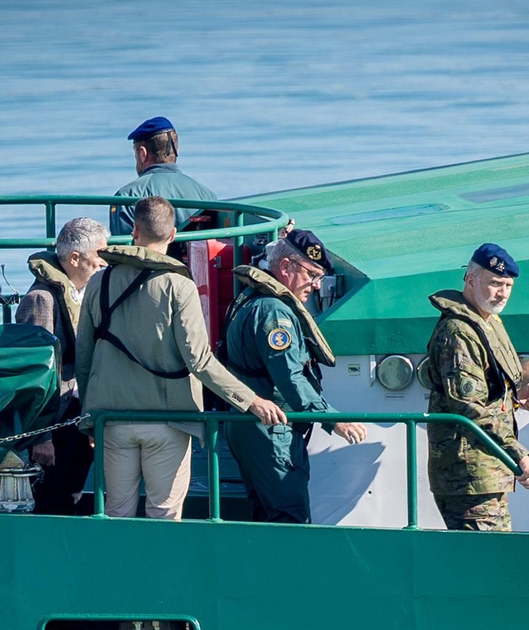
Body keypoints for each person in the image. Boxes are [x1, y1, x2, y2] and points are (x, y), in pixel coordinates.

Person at [75, 195, 285, 519]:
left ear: (134, 231)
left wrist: (89, 416)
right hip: (168, 419)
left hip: (111, 418)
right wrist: (251, 401)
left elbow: (84, 357)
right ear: (173, 235)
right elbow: (199, 361)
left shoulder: (99, 282)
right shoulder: (179, 285)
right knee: (164, 515)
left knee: (116, 512)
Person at [220, 228, 365, 522]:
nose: (316, 285)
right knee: (290, 518)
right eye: (312, 275)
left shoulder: (252, 298)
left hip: (251, 427)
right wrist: (332, 419)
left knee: (266, 517)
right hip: (271, 431)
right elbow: (290, 378)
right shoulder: (275, 314)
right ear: (286, 267)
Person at [420, 243, 529, 531]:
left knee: (494, 554)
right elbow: (469, 408)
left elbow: (485, 390)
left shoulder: (487, 321)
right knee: (488, 556)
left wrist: (516, 398)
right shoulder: (459, 332)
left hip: (486, 471)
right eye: (495, 283)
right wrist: (521, 456)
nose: (502, 293)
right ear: (471, 280)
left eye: (508, 286)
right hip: (467, 474)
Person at [15, 218, 107, 515]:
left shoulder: (84, 294)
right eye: (99, 255)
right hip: (55, 421)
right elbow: (33, 376)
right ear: (75, 258)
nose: (104, 263)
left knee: (73, 495)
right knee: (50, 500)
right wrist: (40, 437)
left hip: (78, 414)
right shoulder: (41, 301)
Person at [110, 117, 216, 235]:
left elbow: (123, 244)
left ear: (142, 154)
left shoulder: (126, 196)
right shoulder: (207, 195)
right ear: (176, 150)